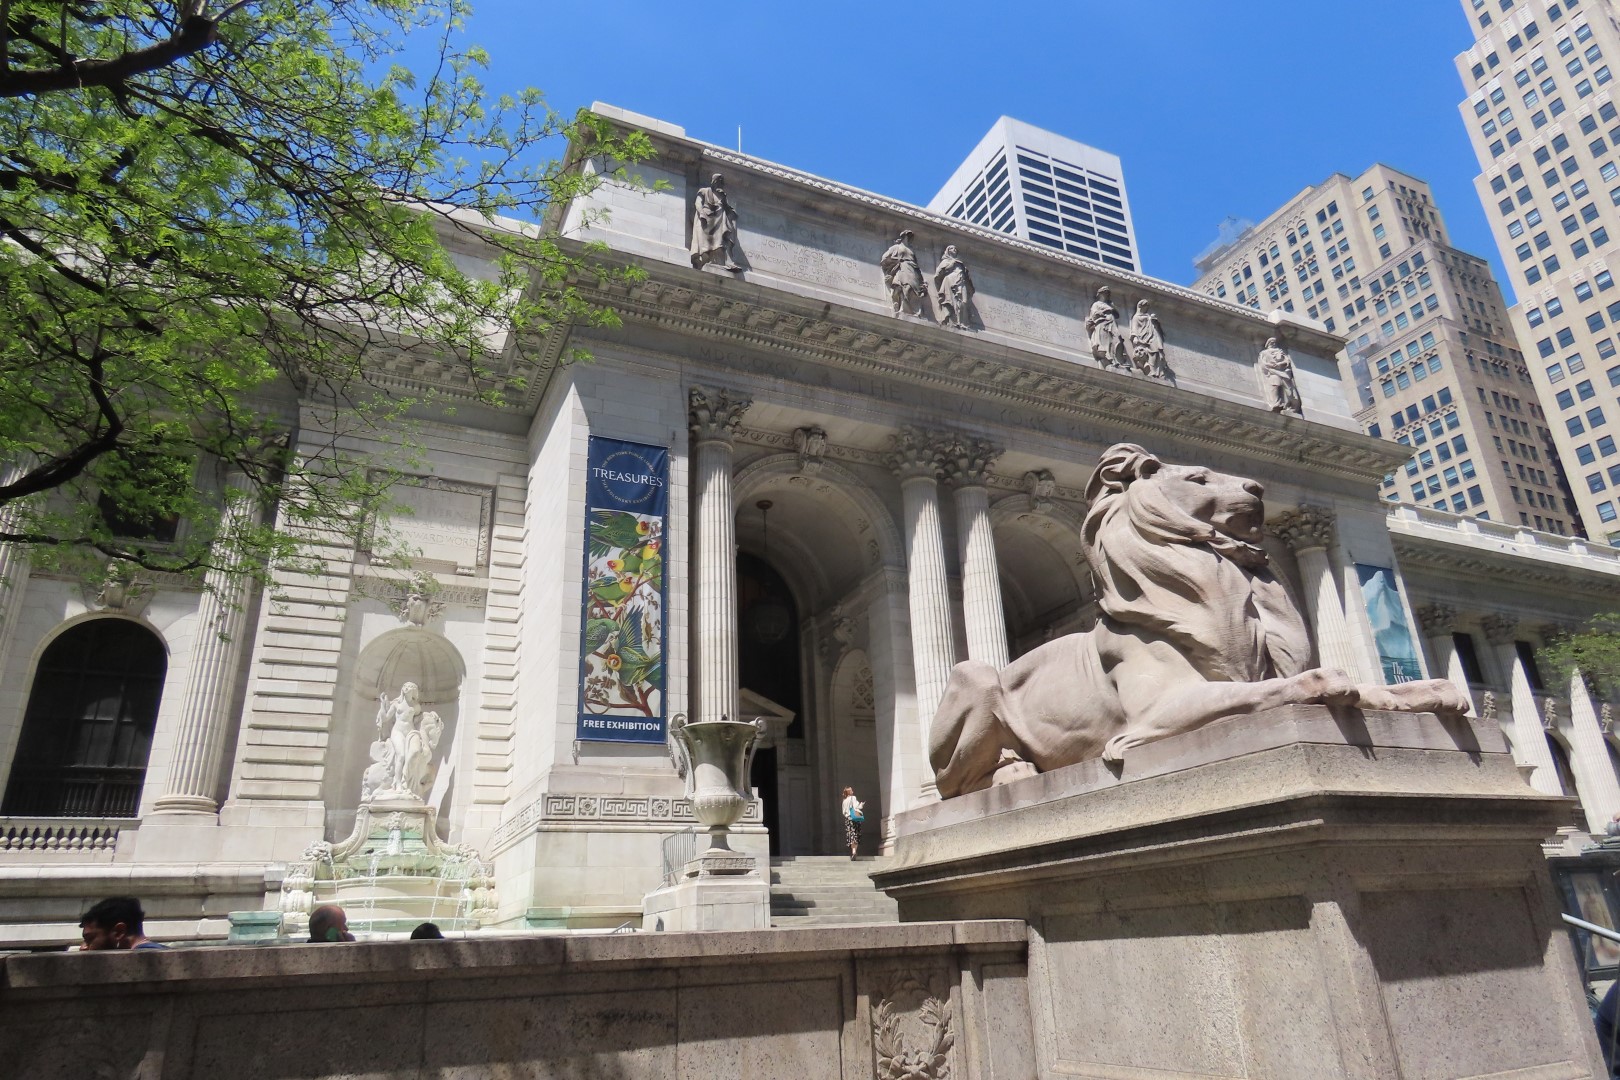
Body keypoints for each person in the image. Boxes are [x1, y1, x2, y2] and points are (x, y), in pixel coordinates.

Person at [690, 172, 742, 271]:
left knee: (726, 226)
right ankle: (708, 259)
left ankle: (726, 259)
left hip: (719, 221)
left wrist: (724, 201)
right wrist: (702, 213)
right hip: (706, 219)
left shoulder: (722, 196)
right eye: (719, 182)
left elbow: (729, 210)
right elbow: (698, 203)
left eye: (722, 182)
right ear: (714, 182)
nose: (721, 184)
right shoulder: (704, 191)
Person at [78, 896, 167, 951]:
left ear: (119, 932)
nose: (83, 947)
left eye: (89, 939)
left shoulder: (137, 962)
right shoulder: (164, 954)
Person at [881, 230, 927, 317]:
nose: (909, 237)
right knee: (904, 286)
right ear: (904, 236)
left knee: (913, 289)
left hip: (913, 269)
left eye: (910, 236)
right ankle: (903, 307)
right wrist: (897, 260)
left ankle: (911, 310)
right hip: (902, 268)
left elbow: (916, 263)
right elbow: (885, 258)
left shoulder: (911, 249)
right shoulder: (896, 247)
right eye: (907, 235)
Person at [933, 245, 974, 329]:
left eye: (955, 248)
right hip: (950, 281)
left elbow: (967, 278)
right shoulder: (945, 261)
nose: (954, 249)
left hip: (961, 282)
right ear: (948, 251)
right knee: (952, 302)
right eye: (951, 248)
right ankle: (954, 321)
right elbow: (938, 274)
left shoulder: (960, 262)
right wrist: (952, 263)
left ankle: (963, 322)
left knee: (964, 302)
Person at [841, 786, 865, 860]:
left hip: (848, 819)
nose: (853, 791)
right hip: (855, 818)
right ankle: (854, 851)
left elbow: (843, 812)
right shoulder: (853, 798)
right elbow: (856, 807)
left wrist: (848, 815)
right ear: (849, 792)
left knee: (851, 835)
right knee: (856, 834)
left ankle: (853, 851)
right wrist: (861, 805)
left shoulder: (844, 801)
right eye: (851, 790)